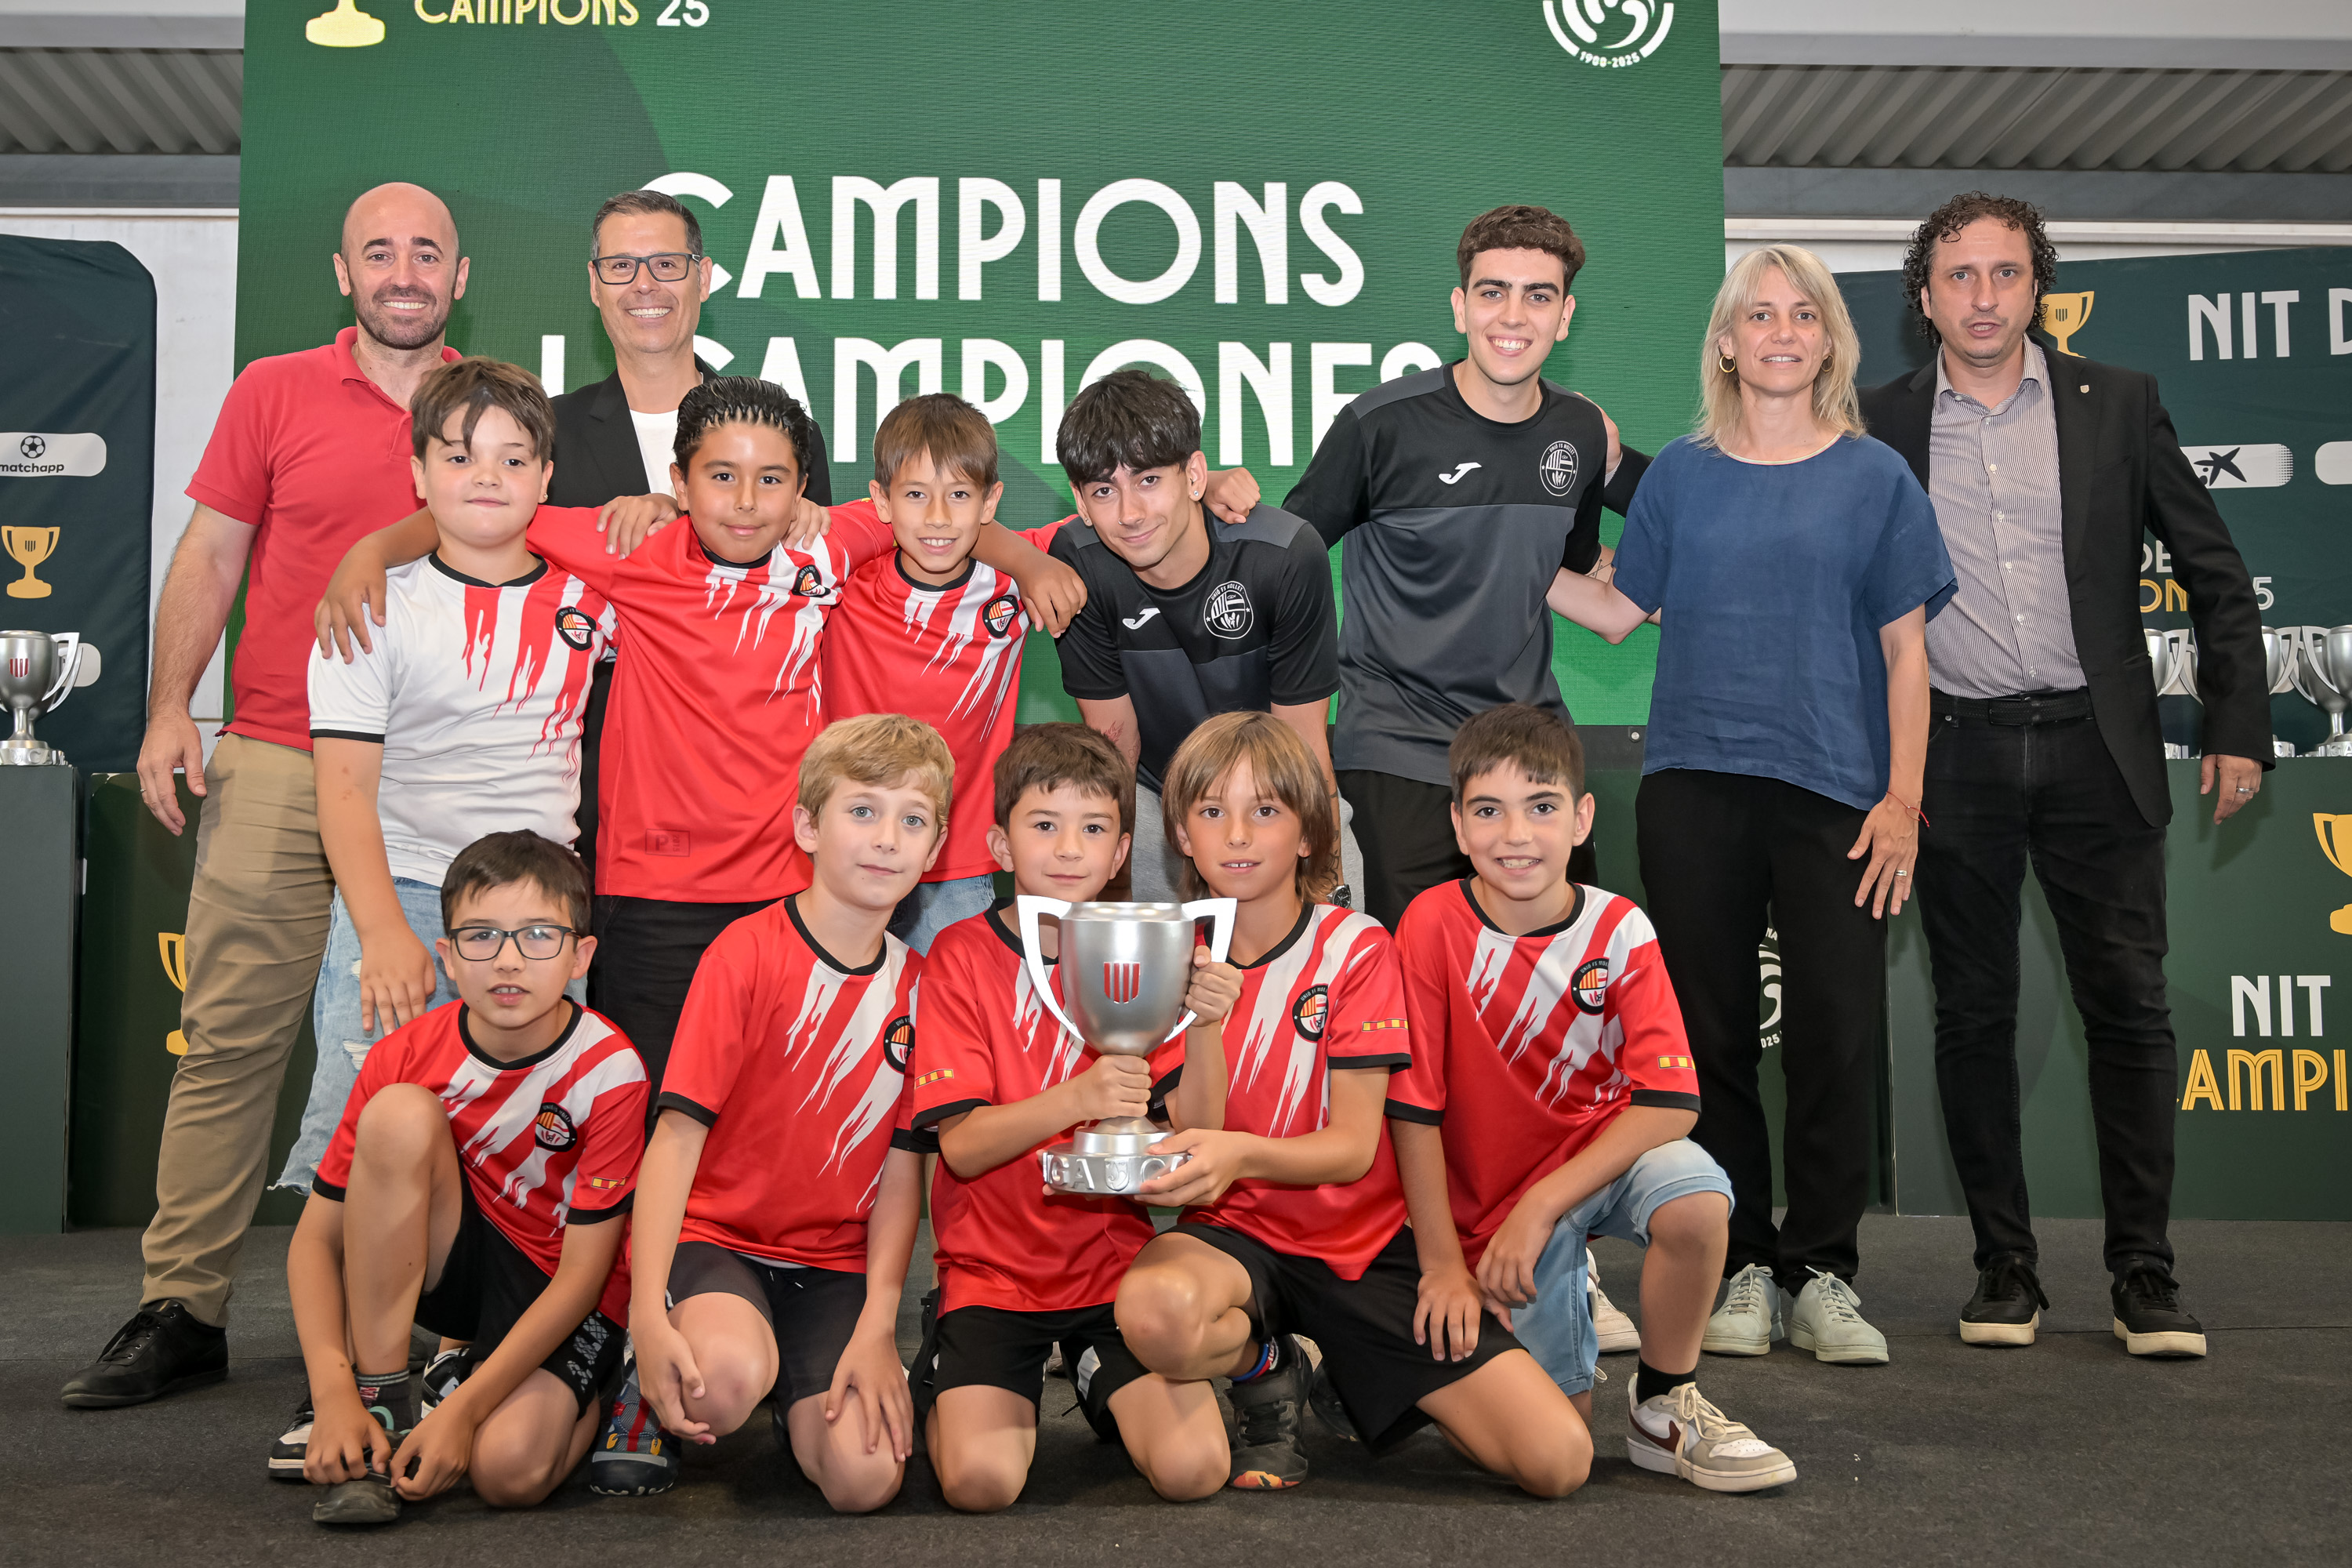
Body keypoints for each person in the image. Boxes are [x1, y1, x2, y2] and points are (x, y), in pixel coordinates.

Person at [317, 377, 1077, 1101]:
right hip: (654, 897)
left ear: (803, 490)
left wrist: (1029, 561)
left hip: (787, 891)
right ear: (680, 484)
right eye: (721, 477)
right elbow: (485, 510)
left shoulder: (826, 547)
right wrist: (370, 552)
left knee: (768, 1112)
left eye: (771, 480)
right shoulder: (630, 550)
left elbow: (945, 515)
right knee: (647, 1113)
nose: (746, 502)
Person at [64, 183, 471, 1411]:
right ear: (343, 274)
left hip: (438, 775)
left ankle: (407, 1320)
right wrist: (169, 708)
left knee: (422, 1058)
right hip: (284, 756)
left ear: (461, 278)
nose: (404, 273)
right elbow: (211, 553)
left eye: (427, 254)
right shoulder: (272, 390)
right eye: (379, 253)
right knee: (231, 1038)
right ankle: (182, 1305)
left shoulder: (494, 409)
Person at [1860, 193, 2267, 1357]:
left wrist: (2238, 725)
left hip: (2100, 748)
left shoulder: (2120, 401)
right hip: (1954, 756)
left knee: (2129, 1009)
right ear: (1924, 296)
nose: (1983, 296)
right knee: (1972, 1015)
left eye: (2005, 272)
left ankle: (2145, 1272)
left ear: (2039, 287)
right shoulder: (1876, 422)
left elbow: (2214, 568)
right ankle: (2005, 1267)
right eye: (1959, 275)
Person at [1546, 245, 1955, 1367]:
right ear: (1725, 342)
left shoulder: (1876, 478)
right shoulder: (1681, 476)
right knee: (1710, 1035)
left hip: (1839, 796)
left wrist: (1904, 801)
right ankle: (1740, 1266)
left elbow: (1908, 654)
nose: (1782, 332)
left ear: (1830, 339)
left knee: (1834, 1034)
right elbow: (1618, 611)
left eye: (1803, 315)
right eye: (1759, 315)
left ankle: (1822, 1270)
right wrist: (1485, 548)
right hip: (1695, 786)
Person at [1116, 712, 1586, 1497]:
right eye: (1212, 811)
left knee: (1556, 1460)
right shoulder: (1168, 958)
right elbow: (1201, 1131)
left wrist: (1240, 1154)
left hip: (1363, 1245)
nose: (1238, 833)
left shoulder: (1356, 946)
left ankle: (1358, 1371)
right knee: (1156, 1312)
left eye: (1266, 809)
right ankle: (1267, 1366)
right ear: (1182, 837)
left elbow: (1352, 1148)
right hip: (1234, 1237)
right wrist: (1205, 1025)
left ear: (1308, 834)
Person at [1388, 704, 1792, 1493]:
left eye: (1541, 807)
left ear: (1581, 818)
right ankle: (1435, 1356)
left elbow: (1670, 1101)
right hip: (1486, 1211)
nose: (1516, 834)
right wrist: (1443, 1265)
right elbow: (1413, 1110)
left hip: (1585, 1176)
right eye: (1488, 811)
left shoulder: (1619, 926)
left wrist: (1542, 1205)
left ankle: (1664, 1400)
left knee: (1696, 1197)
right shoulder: (1430, 923)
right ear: (1458, 826)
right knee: (1555, 1445)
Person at [273, 358, 611, 1205]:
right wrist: (383, 929)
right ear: (419, 475)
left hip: (543, 911)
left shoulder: (596, 602)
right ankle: (342, 1296)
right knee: (362, 1140)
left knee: (529, 1149)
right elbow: (342, 790)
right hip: (408, 895)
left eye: (512, 458)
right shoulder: (372, 609)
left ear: (546, 478)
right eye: (459, 457)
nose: (486, 476)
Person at [591, 714, 942, 1509]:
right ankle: (651, 1368)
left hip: (835, 1267)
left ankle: (794, 1393)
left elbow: (902, 1170)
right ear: (808, 827)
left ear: (935, 847)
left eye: (912, 819)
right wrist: (646, 1313)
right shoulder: (745, 953)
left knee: (865, 1480)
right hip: (718, 1241)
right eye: (863, 810)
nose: (887, 838)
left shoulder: (924, 986)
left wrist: (879, 1324)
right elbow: (675, 1139)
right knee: (720, 1383)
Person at [1280, 205, 1640, 929]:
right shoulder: (1379, 424)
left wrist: (1695, 597)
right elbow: (1282, 563)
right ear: (1460, 306)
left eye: (1538, 295)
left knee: (1552, 985)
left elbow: (1568, 565)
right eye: (1492, 291)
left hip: (1531, 756)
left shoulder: (1579, 430)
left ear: (1565, 317)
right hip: (1397, 755)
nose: (1513, 316)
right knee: (1397, 985)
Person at [906, 723, 1234, 1508]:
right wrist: (1078, 1100)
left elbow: (1197, 1132)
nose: (1067, 849)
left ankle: (1091, 1369)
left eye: (1092, 829)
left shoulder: (1145, 945)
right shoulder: (959, 956)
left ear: (1121, 852)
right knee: (982, 1484)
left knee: (1194, 1470)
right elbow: (964, 1148)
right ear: (1000, 843)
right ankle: (949, 1354)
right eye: (1044, 824)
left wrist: (1208, 1024)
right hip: (994, 1275)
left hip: (1114, 1271)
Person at [282, 831, 646, 1526]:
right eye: (481, 936)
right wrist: (333, 1396)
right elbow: (314, 1245)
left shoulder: (611, 1071)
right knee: (399, 1114)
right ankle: (385, 1401)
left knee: (508, 1474)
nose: (508, 960)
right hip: (459, 1267)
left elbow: (583, 1276)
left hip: (566, 1290)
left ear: (580, 957)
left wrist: (466, 1416)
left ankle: (592, 1382)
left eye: (538, 935)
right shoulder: (404, 1053)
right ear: (446, 957)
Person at [548, 188, 834, 882]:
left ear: (703, 278)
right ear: (594, 284)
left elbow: (814, 602)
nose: (645, 285)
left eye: (667, 264)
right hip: (596, 788)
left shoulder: (782, 433)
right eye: (621, 266)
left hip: (759, 797)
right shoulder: (547, 432)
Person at [1048, 368, 1356, 905]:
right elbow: (1117, 745)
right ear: (1080, 501)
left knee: (1326, 938)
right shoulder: (1078, 563)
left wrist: (1326, 897)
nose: (1130, 513)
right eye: (1104, 490)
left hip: (1274, 791)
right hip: (1154, 800)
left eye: (1149, 481)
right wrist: (1113, 904)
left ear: (1194, 476)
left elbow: (1303, 748)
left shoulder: (1284, 555)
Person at [821, 394, 1065, 953]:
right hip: (846, 855)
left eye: (958, 495)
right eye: (915, 495)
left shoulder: (1012, 584)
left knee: (954, 1005)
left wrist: (1209, 485)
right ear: (880, 501)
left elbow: (1125, 520)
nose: (937, 516)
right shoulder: (841, 579)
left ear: (990, 501)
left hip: (957, 867)